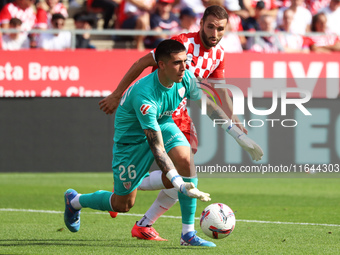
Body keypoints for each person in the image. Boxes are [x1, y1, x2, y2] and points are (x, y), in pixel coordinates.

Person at [63, 39, 263, 247]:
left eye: (185, 61)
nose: (184, 67)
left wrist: (239, 137)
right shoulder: (145, 97)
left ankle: (188, 235)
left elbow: (208, 105)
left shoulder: (185, 77)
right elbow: (157, 148)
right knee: (122, 204)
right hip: (131, 141)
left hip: (163, 123)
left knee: (185, 159)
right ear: (162, 65)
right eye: (177, 63)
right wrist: (180, 185)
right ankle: (75, 201)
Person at [99, 5, 252, 241]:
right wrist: (118, 93)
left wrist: (236, 123)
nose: (214, 33)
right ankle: (130, 192)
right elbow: (142, 63)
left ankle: (154, 224)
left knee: (185, 168)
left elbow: (219, 92)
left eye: (220, 29)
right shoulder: (181, 43)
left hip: (177, 115)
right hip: (154, 109)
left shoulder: (219, 54)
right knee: (179, 170)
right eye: (210, 26)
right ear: (201, 23)